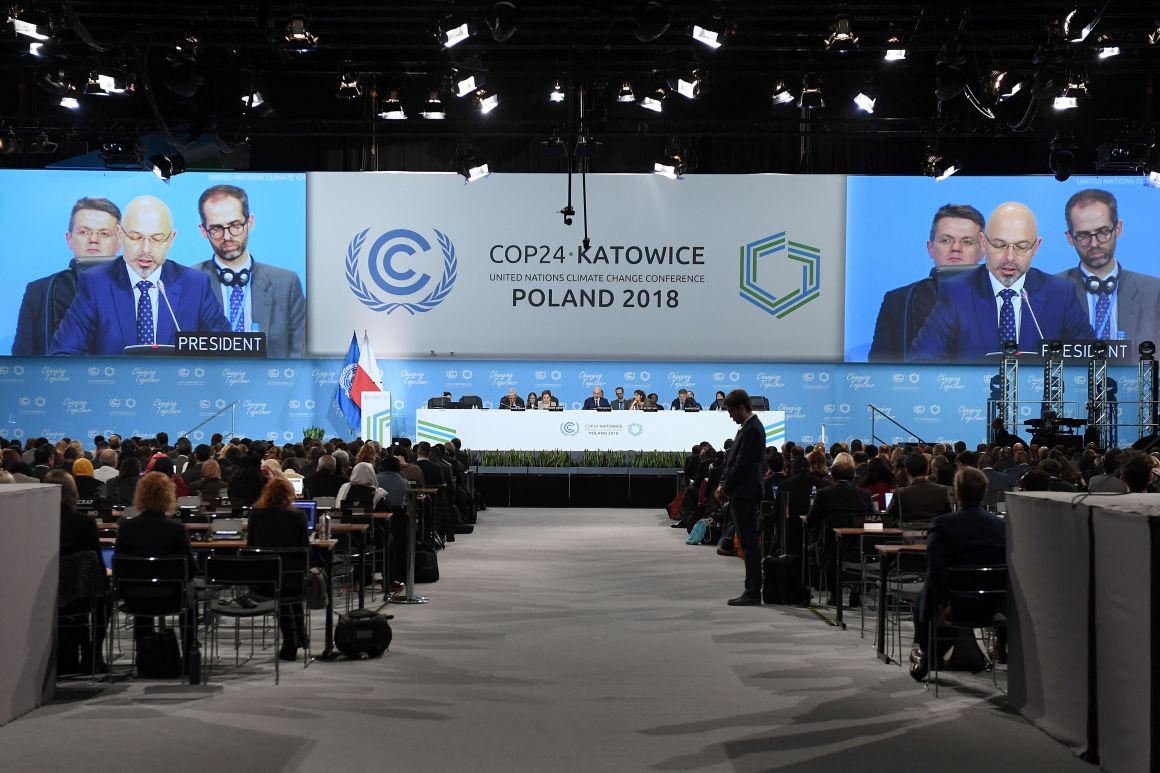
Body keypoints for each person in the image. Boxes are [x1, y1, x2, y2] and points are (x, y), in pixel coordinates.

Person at [908, 202, 1096, 363]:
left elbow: (1095, 358)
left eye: (1022, 247)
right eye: (999, 245)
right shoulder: (957, 292)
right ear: (983, 242)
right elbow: (921, 360)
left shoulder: (1060, 294)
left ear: (1036, 247)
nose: (1009, 257)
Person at [50, 195, 231, 355]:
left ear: (171, 239)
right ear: (120, 235)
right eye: (136, 237)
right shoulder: (96, 284)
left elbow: (228, 351)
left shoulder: (195, 285)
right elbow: (63, 355)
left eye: (157, 239)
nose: (146, 250)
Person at [910, 466, 1006, 680]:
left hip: (953, 606)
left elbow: (935, 568)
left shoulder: (943, 524)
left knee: (924, 596)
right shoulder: (1001, 526)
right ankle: (929, 657)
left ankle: (927, 655)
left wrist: (946, 603)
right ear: (985, 491)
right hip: (992, 606)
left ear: (957, 493)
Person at [193, 184, 306, 358]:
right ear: (203, 231)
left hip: (272, 383)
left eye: (235, 225)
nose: (228, 236)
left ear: (250, 222)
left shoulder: (286, 283)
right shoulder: (188, 282)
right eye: (216, 229)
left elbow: (300, 354)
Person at [868, 204, 985, 362]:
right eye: (945, 240)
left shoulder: (1004, 297)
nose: (956, 248)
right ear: (930, 248)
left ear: (983, 250)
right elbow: (878, 372)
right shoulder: (897, 301)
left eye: (967, 242)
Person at [13, 197, 122, 355]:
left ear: (120, 242)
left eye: (104, 233)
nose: (93, 240)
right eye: (84, 232)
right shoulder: (39, 291)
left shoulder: (138, 288)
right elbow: (22, 363)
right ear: (69, 239)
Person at [1055, 189, 1160, 345]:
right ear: (1070, 237)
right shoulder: (1052, 291)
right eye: (1083, 236)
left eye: (1103, 232)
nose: (1095, 244)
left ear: (1118, 228)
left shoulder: (1154, 293)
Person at [114, 471, 197, 650]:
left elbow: (119, 566)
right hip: (172, 598)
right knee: (191, 591)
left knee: (140, 584)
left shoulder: (126, 528)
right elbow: (191, 569)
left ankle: (143, 649)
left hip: (134, 598)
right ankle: (191, 649)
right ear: (169, 495)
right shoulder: (176, 529)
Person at [45, 469, 106, 674]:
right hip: (80, 595)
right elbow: (96, 560)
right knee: (104, 598)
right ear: (72, 492)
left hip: (45, 593)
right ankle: (93, 654)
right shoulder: (85, 523)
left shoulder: (38, 522)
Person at [245, 477, 309, 661]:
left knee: (282, 583)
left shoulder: (255, 514)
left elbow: (251, 546)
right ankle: (297, 636)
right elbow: (304, 549)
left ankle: (293, 638)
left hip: (263, 580)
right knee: (291, 584)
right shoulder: (298, 516)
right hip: (293, 579)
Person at [714, 389, 766, 606]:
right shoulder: (747, 428)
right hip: (741, 491)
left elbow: (742, 464)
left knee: (749, 542)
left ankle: (753, 591)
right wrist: (723, 483)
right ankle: (751, 589)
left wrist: (726, 486)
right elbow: (733, 460)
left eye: (731, 411)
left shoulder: (753, 429)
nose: (730, 416)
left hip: (745, 492)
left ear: (741, 407)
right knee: (746, 541)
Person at [883, 453, 951, 528]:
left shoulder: (900, 493)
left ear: (907, 471)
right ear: (927, 469)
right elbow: (949, 517)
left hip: (906, 537)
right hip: (935, 535)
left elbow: (887, 518)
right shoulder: (942, 490)